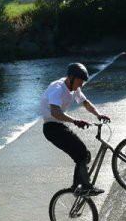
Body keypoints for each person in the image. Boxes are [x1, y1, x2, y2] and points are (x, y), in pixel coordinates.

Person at [40, 62, 111, 196]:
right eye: (80, 81)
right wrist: (75, 121)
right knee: (81, 152)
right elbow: (55, 112)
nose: (81, 84)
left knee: (84, 155)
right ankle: (85, 187)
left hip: (59, 126)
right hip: (51, 128)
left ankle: (77, 186)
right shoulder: (58, 88)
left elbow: (85, 103)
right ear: (71, 77)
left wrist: (98, 114)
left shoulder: (74, 88)